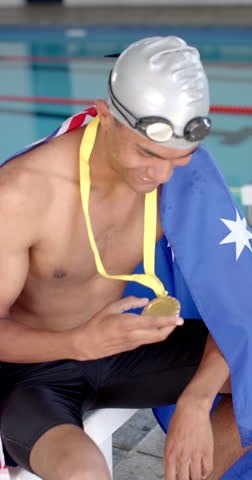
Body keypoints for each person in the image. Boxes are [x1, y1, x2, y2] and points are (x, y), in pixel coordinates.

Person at [0, 35, 251, 480]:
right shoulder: (22, 195)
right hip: (32, 373)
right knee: (83, 473)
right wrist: (77, 343)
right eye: (146, 153)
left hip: (127, 350)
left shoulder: (183, 180)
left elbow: (237, 302)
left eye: (179, 159)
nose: (159, 175)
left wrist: (196, 400)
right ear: (105, 114)